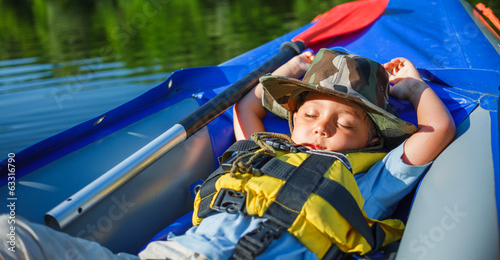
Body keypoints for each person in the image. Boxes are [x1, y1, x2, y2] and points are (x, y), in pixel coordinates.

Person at [0, 49, 455, 260]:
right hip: (170, 256)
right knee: (10, 235)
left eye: (345, 124)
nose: (321, 125)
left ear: (371, 141)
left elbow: (437, 131)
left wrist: (413, 87)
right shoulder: (260, 149)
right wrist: (293, 67)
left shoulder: (368, 182)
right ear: (292, 122)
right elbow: (249, 104)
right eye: (310, 113)